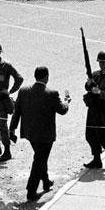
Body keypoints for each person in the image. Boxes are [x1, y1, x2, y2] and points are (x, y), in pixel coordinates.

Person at [10, 66, 70, 201]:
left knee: (40, 157)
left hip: (30, 133)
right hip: (45, 136)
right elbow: (62, 110)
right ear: (46, 77)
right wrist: (66, 101)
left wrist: (12, 128)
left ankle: (46, 181)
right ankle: (31, 191)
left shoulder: (24, 91)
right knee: (39, 160)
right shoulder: (52, 93)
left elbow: (17, 112)